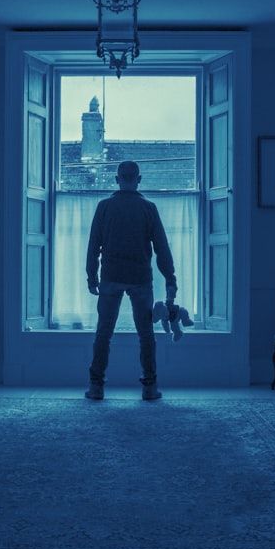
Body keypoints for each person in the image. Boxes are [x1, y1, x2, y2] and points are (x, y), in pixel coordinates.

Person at [85, 160, 177, 401]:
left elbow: (94, 245)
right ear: (139, 179)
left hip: (111, 276)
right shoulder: (149, 208)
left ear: (117, 179)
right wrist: (170, 279)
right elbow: (161, 248)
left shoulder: (104, 207)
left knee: (104, 332)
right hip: (140, 279)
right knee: (146, 334)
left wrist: (91, 275)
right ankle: (149, 387)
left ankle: (96, 387)